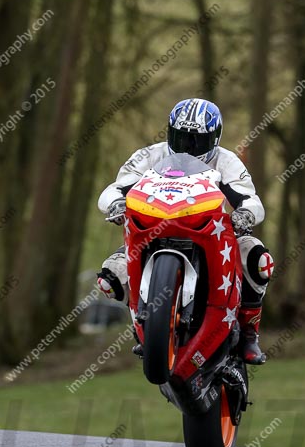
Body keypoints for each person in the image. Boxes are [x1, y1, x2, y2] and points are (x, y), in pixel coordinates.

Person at [96, 98, 273, 364]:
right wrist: (117, 204)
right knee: (109, 278)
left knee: (258, 259)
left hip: (211, 232)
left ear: (214, 138)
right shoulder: (148, 155)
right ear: (170, 132)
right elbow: (114, 189)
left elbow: (250, 199)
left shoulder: (227, 161)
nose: (188, 147)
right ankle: (143, 325)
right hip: (153, 230)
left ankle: (249, 333)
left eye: (197, 141)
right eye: (181, 138)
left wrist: (245, 214)